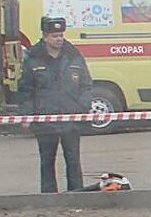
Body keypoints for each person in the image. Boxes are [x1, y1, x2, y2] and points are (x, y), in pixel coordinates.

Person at [15, 15, 94, 193]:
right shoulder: (33, 58)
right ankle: (49, 196)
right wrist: (27, 114)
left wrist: (82, 107)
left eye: (60, 35)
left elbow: (86, 84)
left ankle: (76, 194)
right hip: (45, 119)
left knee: (73, 160)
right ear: (45, 36)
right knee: (47, 161)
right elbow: (26, 90)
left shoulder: (73, 56)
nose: (59, 39)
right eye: (54, 36)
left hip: (71, 117)